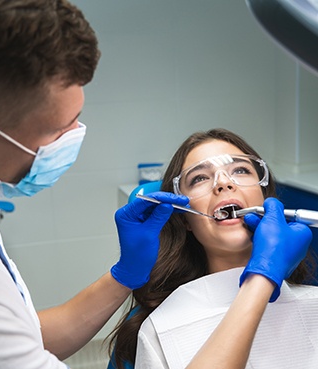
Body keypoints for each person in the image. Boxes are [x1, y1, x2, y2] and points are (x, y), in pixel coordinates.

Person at [0, 1, 191, 368]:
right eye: (60, 129)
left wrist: (124, 276)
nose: (75, 136)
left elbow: (19, 333)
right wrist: (260, 284)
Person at [108, 128, 318, 369]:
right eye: (199, 178)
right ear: (185, 219)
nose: (223, 183)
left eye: (240, 170)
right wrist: (264, 273)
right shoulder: (158, 330)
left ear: (265, 199)